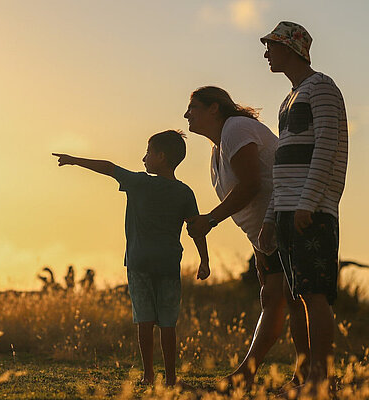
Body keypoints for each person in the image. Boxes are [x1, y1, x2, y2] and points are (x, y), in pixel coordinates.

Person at [53, 130, 210, 386]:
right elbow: (196, 228)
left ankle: (149, 376)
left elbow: (108, 167)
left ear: (161, 156)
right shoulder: (184, 192)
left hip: (139, 262)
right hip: (169, 264)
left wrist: (75, 160)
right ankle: (170, 378)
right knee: (168, 323)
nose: (143, 158)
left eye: (148, 153)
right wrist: (205, 260)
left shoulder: (139, 182)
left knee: (144, 320)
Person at [258, 21, 348, 391]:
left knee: (314, 294)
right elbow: (284, 164)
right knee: (296, 298)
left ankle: (319, 381)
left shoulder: (322, 88)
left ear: (292, 50)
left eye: (272, 46)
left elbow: (328, 149)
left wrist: (308, 203)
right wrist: (270, 217)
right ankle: (303, 376)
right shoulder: (289, 98)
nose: (267, 53)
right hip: (287, 211)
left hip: (311, 211)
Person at [183, 86, 292, 386]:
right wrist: (258, 247)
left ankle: (308, 376)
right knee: (273, 298)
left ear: (214, 108)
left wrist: (210, 219)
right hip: (267, 234)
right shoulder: (217, 148)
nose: (186, 114)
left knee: (296, 299)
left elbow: (252, 185)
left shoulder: (236, 128)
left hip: (286, 220)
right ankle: (250, 373)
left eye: (193, 107)